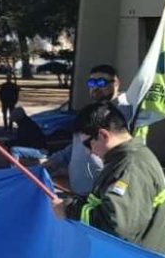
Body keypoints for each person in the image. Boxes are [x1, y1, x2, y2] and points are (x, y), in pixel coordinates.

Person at [54, 102, 165, 255]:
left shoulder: (130, 167)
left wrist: (68, 209)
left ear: (103, 135)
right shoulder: (127, 159)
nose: (89, 153)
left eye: (88, 145)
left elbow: (115, 226)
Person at [44, 64, 135, 196]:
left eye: (101, 82)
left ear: (116, 83)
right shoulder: (90, 113)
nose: (95, 87)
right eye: (91, 83)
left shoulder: (125, 113)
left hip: (104, 197)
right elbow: (75, 146)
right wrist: (52, 162)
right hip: (79, 194)